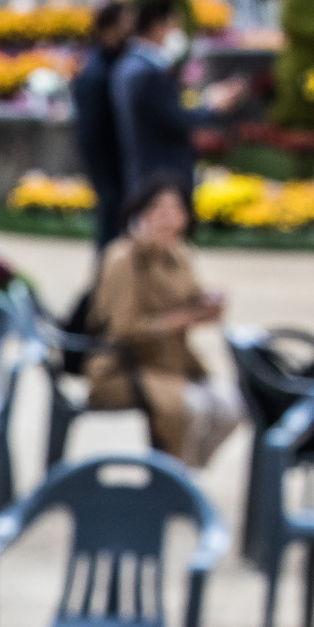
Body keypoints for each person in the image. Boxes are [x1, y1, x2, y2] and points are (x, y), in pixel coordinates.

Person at [86, 172, 244, 468]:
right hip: (127, 366)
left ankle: (184, 474)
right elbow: (122, 329)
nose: (167, 219)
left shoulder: (180, 254)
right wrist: (181, 320)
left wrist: (207, 302)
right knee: (189, 408)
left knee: (231, 405)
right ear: (140, 213)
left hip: (174, 363)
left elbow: (191, 298)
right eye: (158, 209)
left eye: (175, 210)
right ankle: (174, 478)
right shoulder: (123, 258)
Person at [110, 0, 245, 198]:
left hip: (144, 171)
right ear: (157, 26)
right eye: (174, 25)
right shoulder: (148, 73)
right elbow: (174, 119)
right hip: (161, 175)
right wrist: (213, 106)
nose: (178, 32)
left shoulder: (129, 65)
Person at [72, 0, 134, 251]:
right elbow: (90, 130)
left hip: (118, 161)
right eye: (126, 22)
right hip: (107, 163)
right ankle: (104, 285)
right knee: (110, 225)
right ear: (109, 28)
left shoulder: (117, 62)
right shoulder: (95, 71)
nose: (131, 28)